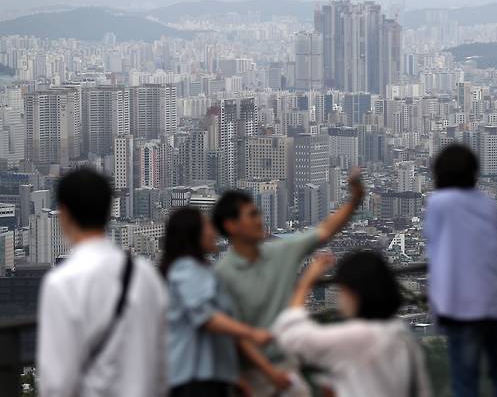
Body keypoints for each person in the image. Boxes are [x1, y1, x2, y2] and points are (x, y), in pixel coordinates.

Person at [213, 170, 364, 395]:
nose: (259, 220)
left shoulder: (281, 251)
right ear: (231, 225)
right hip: (253, 376)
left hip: (287, 366)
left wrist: (354, 200)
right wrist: (269, 373)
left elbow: (324, 231)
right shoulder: (223, 274)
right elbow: (236, 335)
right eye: (252, 215)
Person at [37, 168, 168, 397]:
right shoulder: (145, 274)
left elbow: (57, 382)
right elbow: (165, 357)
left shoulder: (61, 283)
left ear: (64, 213)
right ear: (109, 211)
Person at [424, 144, 497, 397]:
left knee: (465, 381)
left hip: (463, 307)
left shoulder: (439, 203)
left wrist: (438, 307)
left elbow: (436, 254)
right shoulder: (488, 203)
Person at [272, 251, 432, 397]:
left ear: (353, 293)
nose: (339, 298)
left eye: (341, 290)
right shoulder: (403, 336)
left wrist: (306, 282)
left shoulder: (359, 337)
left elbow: (291, 335)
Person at [161, 207, 273, 397]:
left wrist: (234, 377)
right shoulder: (187, 271)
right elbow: (206, 318)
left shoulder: (200, 271)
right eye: (207, 227)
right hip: (194, 380)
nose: (214, 232)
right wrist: (252, 333)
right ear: (193, 234)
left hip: (207, 377)